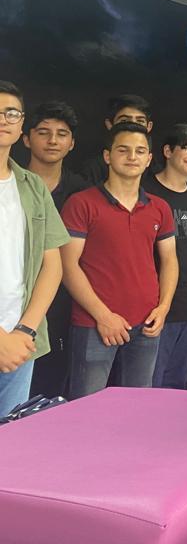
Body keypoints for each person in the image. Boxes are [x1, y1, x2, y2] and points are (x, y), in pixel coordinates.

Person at [61, 123, 177, 399]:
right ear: (107, 156)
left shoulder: (159, 207)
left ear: (149, 159)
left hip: (147, 323)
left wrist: (163, 308)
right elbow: (67, 266)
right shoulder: (81, 203)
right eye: (123, 150)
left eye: (140, 151)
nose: (132, 157)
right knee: (87, 407)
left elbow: (170, 260)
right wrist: (103, 316)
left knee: (138, 406)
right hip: (94, 323)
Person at [0, 82, 68, 415]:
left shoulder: (33, 186)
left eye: (11, 113)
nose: (3, 119)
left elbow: (52, 265)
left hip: (21, 341)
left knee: (11, 436)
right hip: (6, 342)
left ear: (21, 124)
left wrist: (25, 329)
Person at [22, 101, 86, 398]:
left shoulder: (82, 191)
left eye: (62, 134)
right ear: (26, 138)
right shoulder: (12, 184)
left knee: (53, 383)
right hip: (16, 296)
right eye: (43, 132)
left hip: (64, 300)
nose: (52, 140)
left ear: (72, 143)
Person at [142, 124, 187, 389]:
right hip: (153, 296)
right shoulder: (145, 189)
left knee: (178, 379)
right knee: (150, 378)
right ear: (168, 151)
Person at [80, 94, 152, 186]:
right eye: (124, 121)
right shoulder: (93, 169)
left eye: (140, 121)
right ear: (109, 125)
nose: (132, 125)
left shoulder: (156, 170)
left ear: (149, 127)